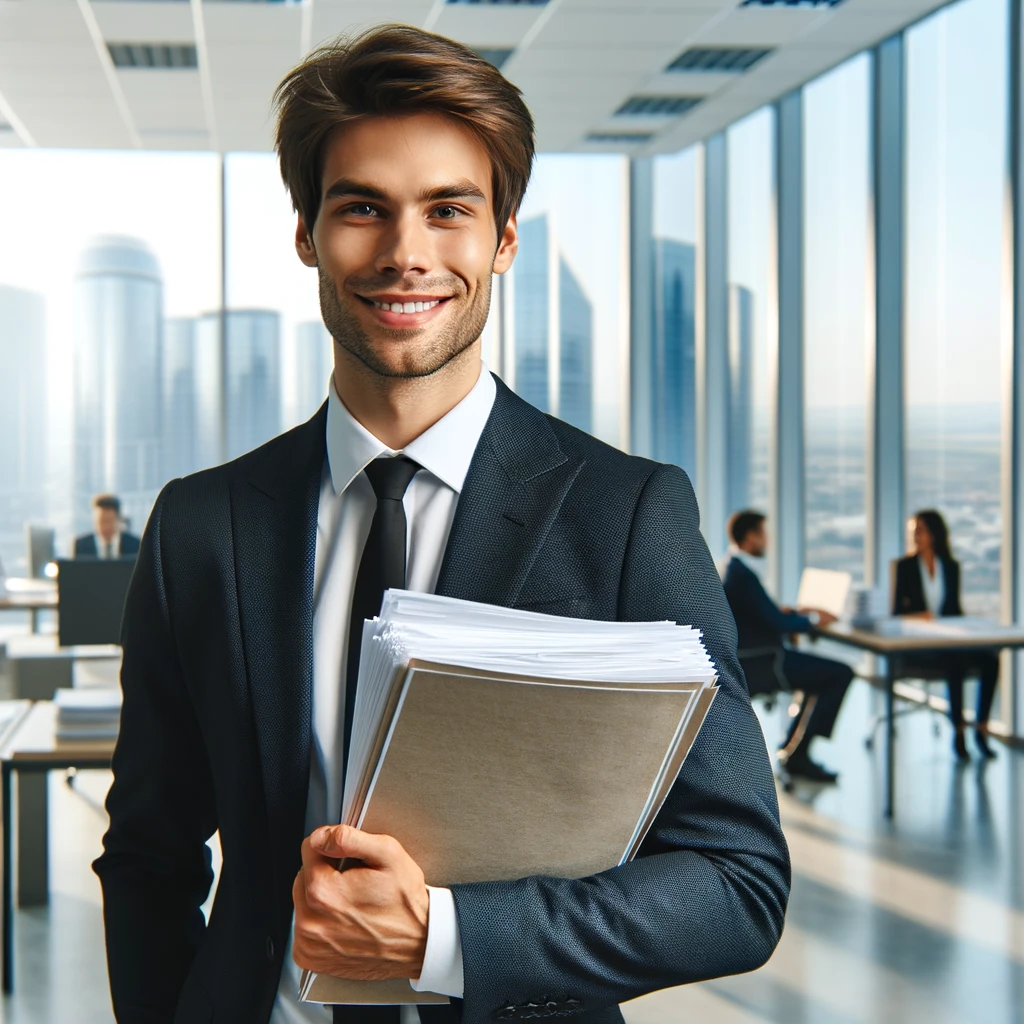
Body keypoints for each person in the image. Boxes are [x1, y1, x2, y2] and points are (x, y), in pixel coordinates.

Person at [94, 26, 789, 1024]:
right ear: (306, 233)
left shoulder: (625, 513)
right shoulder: (204, 524)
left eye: (448, 210)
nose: (405, 254)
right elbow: (149, 854)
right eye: (361, 208)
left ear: (503, 240)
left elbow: (735, 883)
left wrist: (445, 937)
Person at [722, 510, 852, 784]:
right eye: (763, 534)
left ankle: (795, 751)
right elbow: (777, 622)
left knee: (819, 677)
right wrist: (814, 619)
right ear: (750, 537)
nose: (767, 540)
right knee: (840, 673)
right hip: (765, 662)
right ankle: (800, 755)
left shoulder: (733, 568)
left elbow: (764, 613)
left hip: (757, 657)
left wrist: (792, 612)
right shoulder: (742, 574)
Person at [892, 509, 999, 761]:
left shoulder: (950, 567)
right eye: (913, 531)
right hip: (920, 643)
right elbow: (897, 612)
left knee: (991, 661)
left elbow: (954, 608)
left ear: (934, 534)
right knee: (956, 662)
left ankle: (981, 728)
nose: (916, 536)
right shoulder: (905, 567)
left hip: (949, 637)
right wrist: (921, 616)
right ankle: (959, 731)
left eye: (921, 530)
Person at [73, 494, 140, 559]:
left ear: (118, 520)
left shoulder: (135, 544)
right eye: (101, 522)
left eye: (109, 521)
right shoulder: (80, 545)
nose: (106, 527)